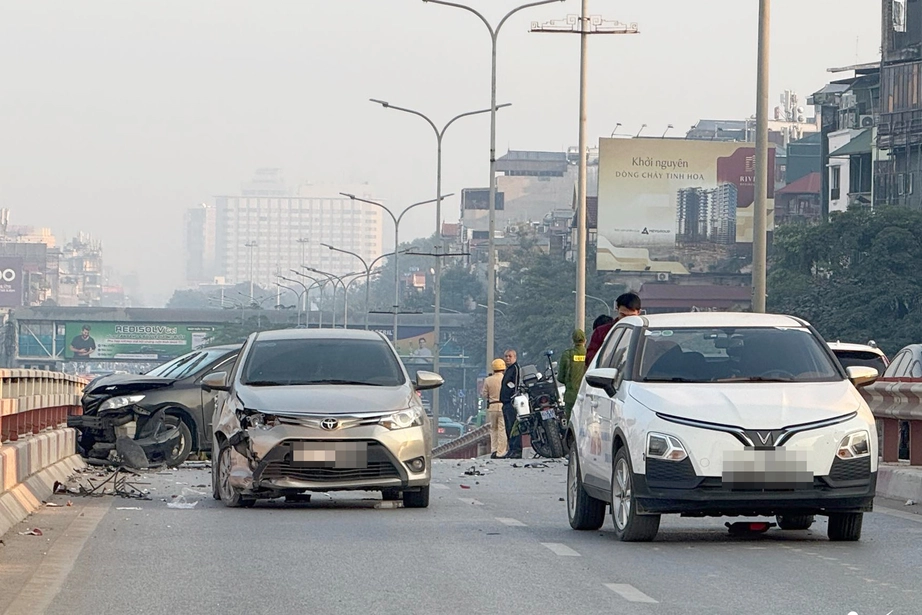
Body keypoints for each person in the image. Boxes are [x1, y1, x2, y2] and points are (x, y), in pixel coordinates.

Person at [585, 292, 642, 366]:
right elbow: (591, 358)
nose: (627, 319)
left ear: (639, 312)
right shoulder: (602, 332)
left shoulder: (646, 333)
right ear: (617, 309)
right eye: (623, 315)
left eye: (631, 316)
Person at [481, 358, 508, 459]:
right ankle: (501, 452)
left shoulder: (488, 380)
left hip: (492, 407)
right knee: (502, 429)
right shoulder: (505, 379)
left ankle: (494, 450)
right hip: (502, 406)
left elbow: (484, 394)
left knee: (493, 429)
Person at [557, 329, 587, 421]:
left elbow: (560, 377)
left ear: (572, 340)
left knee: (571, 422)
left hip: (571, 396)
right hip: (587, 396)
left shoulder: (567, 354)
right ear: (585, 340)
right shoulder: (590, 353)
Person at [499, 348, 522, 459]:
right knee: (508, 427)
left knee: (514, 427)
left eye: (510, 356)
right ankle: (511, 449)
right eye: (506, 356)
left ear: (515, 357)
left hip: (512, 402)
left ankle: (517, 450)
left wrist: (514, 398)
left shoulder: (515, 369)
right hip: (505, 403)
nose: (507, 358)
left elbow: (516, 385)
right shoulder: (507, 370)